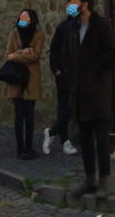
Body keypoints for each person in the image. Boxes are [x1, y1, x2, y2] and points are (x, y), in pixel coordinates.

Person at [61, 0, 115, 200]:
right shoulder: (72, 27)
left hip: (97, 91)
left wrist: (92, 70)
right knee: (84, 138)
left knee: (101, 139)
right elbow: (65, 53)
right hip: (79, 93)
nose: (70, 6)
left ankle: (105, 179)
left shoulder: (102, 26)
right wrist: (70, 74)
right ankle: (89, 179)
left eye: (73, 2)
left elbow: (113, 53)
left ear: (84, 5)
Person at [4, 8, 43, 160]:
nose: (22, 18)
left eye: (25, 17)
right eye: (20, 16)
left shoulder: (39, 35)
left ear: (32, 19)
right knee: (19, 116)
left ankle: (29, 146)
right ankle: (20, 148)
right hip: (16, 80)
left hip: (31, 80)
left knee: (30, 116)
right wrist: (24, 52)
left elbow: (36, 56)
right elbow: (9, 56)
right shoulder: (13, 35)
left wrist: (17, 54)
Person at [43, 12, 78, 156]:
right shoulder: (62, 27)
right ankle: (65, 141)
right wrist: (56, 70)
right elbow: (54, 49)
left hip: (77, 75)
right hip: (63, 74)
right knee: (63, 106)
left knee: (76, 105)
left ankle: (51, 132)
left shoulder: (82, 28)